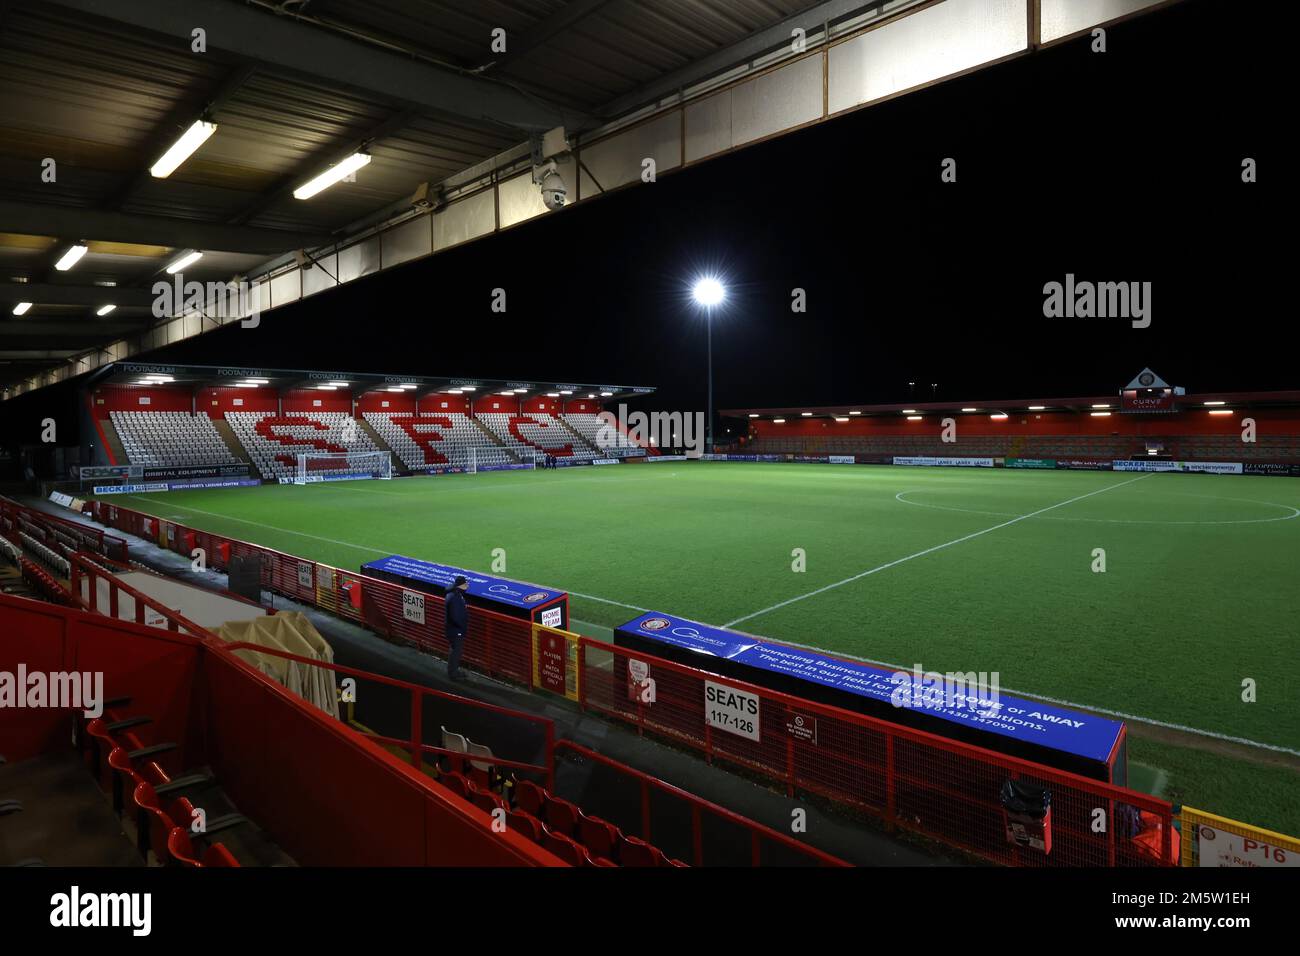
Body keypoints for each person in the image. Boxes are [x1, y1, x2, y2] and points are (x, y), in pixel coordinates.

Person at [445, 575, 469, 681]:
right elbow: (456, 616)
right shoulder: (455, 597)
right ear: (460, 586)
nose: (467, 586)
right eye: (465, 584)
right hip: (456, 630)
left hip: (453, 629)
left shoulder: (453, 594)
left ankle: (453, 671)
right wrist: (462, 626)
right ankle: (453, 674)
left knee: (454, 651)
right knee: (456, 652)